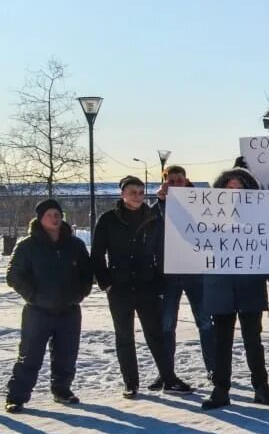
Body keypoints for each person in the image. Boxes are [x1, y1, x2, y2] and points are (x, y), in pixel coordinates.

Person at [92, 176, 192, 398]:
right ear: (122, 194)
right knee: (124, 336)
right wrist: (106, 282)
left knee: (155, 335)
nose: (137, 196)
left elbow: (161, 252)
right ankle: (131, 383)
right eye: (132, 192)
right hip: (119, 287)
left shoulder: (153, 218)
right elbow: (97, 254)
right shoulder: (108, 219)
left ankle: (169, 378)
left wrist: (159, 281)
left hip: (147, 286)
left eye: (140, 191)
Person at [200, 167, 269, 410]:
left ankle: (261, 387)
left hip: (249, 286)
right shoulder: (209, 215)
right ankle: (221, 389)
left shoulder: (260, 216)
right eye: (230, 188)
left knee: (253, 340)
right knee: (221, 342)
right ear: (221, 191)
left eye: (240, 188)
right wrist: (164, 203)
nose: (235, 192)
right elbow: (183, 229)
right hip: (221, 286)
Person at [5, 200, 94, 413]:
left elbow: (86, 274)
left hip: (69, 310)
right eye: (50, 214)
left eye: (58, 214)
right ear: (40, 218)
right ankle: (17, 396)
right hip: (38, 311)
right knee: (30, 355)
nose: (55, 218)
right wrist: (34, 296)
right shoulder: (27, 246)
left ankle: (62, 389)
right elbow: (14, 275)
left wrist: (79, 294)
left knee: (66, 354)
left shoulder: (74, 245)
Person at [154, 165, 215, 383]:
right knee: (167, 324)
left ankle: (213, 369)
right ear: (164, 183)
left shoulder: (203, 203)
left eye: (179, 180)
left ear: (187, 180)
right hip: (168, 275)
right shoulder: (157, 207)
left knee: (205, 322)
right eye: (171, 181)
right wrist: (162, 203)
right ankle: (166, 373)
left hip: (196, 272)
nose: (176, 184)